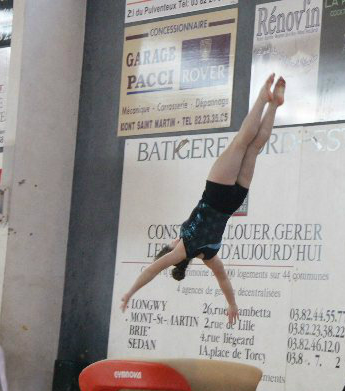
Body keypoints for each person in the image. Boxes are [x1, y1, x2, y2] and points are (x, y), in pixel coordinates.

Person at [121, 74, 286, 324]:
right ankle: (263, 98)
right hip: (216, 193)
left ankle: (274, 105)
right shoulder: (182, 247)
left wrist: (232, 303)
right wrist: (129, 293)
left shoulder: (209, 256)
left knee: (253, 148)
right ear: (171, 247)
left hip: (233, 202)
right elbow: (153, 268)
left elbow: (223, 280)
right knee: (241, 142)